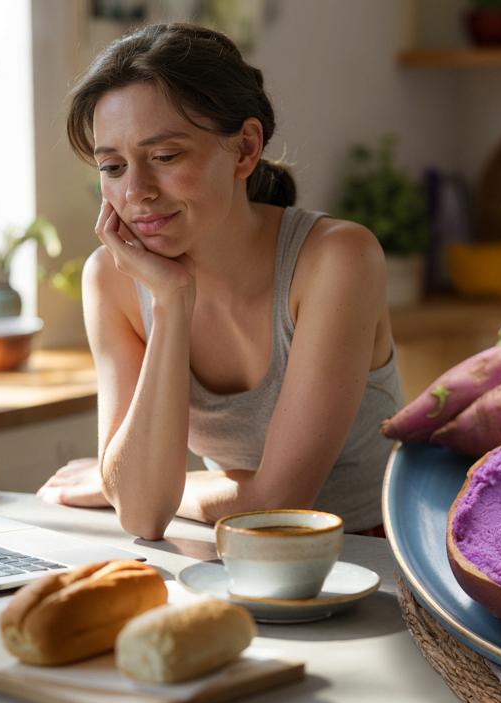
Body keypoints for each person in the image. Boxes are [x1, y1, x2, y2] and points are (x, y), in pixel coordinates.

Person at [37, 23, 402, 539]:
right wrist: (169, 301)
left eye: (164, 157)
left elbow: (279, 504)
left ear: (246, 148)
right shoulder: (112, 280)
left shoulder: (336, 259)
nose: (136, 191)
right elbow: (142, 515)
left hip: (379, 555)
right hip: (235, 553)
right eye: (113, 166)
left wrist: (123, 482)